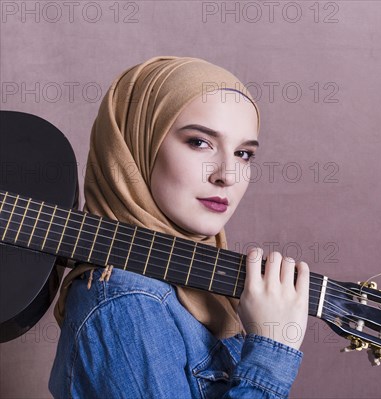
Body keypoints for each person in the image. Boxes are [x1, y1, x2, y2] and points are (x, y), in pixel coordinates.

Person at [48, 56, 310, 398]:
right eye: (199, 142)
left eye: (244, 154)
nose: (227, 175)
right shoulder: (128, 301)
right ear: (135, 145)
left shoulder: (196, 290)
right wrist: (272, 350)